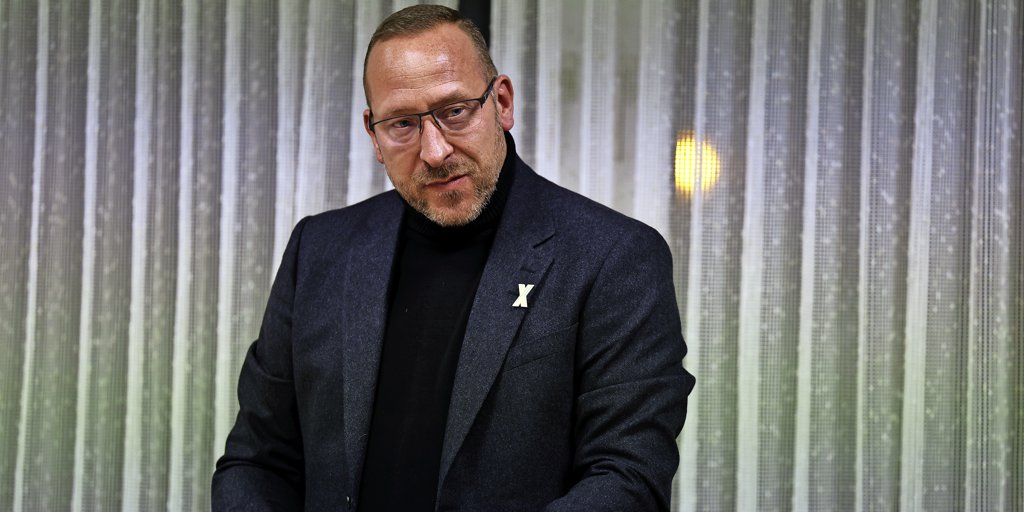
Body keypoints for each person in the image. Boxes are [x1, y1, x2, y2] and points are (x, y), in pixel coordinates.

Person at [212, 5, 694, 511]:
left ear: (502, 103)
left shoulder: (613, 257)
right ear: (373, 135)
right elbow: (256, 462)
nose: (435, 151)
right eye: (402, 123)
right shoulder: (318, 250)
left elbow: (626, 477)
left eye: (455, 111)